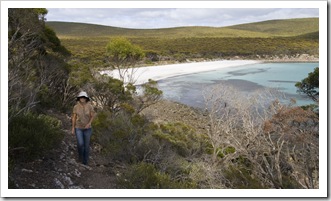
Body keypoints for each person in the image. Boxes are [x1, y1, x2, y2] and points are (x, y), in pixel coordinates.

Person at [71, 91, 96, 165]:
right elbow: (74, 118)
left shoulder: (90, 106)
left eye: (84, 97)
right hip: (78, 127)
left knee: (86, 145)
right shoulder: (76, 107)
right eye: (81, 97)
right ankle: (80, 157)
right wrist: (73, 128)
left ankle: (85, 161)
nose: (82, 99)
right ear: (79, 98)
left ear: (86, 98)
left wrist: (89, 123)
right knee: (80, 144)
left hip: (87, 128)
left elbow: (92, 116)